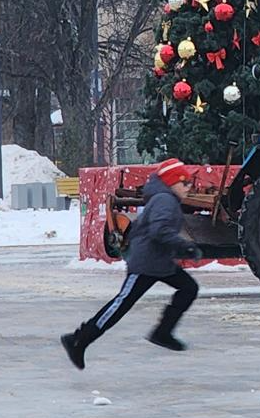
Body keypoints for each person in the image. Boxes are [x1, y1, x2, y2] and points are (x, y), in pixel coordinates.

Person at [60, 158, 203, 370]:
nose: (189, 188)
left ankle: (163, 332)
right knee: (120, 305)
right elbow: (159, 231)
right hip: (146, 263)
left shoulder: (165, 199)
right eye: (185, 183)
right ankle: (78, 339)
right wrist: (185, 247)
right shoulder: (165, 200)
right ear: (173, 182)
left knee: (189, 288)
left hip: (159, 262)